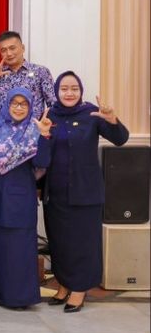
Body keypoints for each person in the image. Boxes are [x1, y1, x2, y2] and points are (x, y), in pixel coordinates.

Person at [41, 71, 129, 313]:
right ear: (56, 91)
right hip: (56, 193)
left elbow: (121, 139)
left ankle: (79, 289)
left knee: (83, 244)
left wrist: (112, 120)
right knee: (59, 242)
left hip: (85, 192)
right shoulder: (50, 114)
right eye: (64, 89)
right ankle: (63, 285)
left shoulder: (92, 113)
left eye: (74, 89)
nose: (69, 93)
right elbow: (43, 152)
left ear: (80, 91)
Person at [0, 87, 52, 310]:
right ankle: (1, 294)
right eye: (15, 103)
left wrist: (43, 136)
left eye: (24, 104)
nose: (19, 108)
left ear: (31, 107)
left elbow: (42, 162)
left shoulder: (33, 130)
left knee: (19, 251)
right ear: (6, 105)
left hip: (19, 200)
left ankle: (21, 297)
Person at [0, 31, 56, 120]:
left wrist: (45, 123)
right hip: (3, 128)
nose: (9, 53)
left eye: (12, 48)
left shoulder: (40, 71)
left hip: (32, 127)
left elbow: (53, 102)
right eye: (3, 50)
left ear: (22, 48)